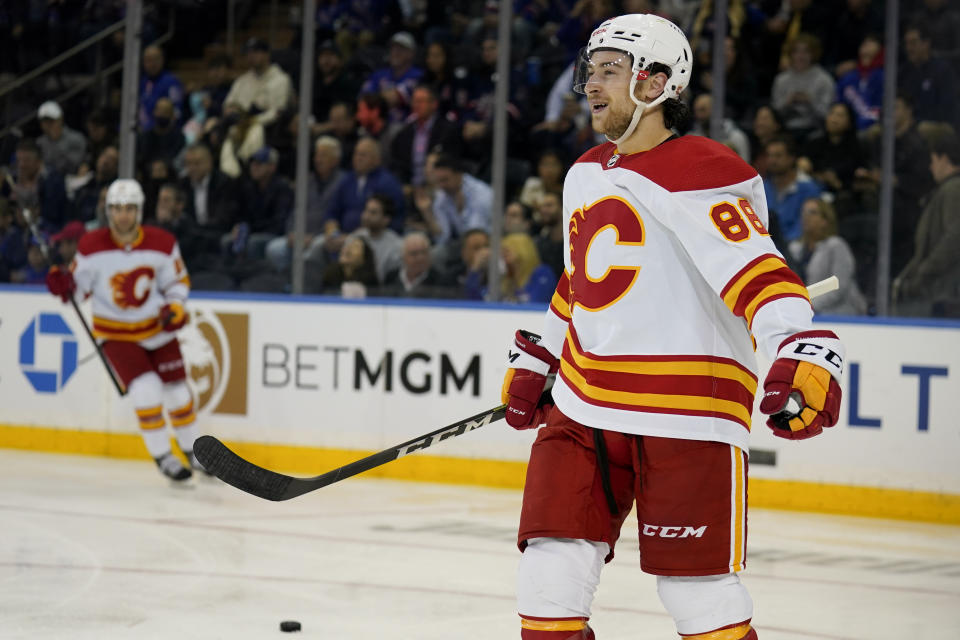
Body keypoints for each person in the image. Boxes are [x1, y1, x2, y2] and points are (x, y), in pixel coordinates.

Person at [499, 14, 845, 640]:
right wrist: (541, 357)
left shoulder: (701, 171)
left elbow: (759, 275)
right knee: (549, 572)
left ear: (657, 83)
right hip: (585, 403)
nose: (592, 84)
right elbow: (580, 281)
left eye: (611, 70)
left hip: (686, 408)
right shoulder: (583, 173)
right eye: (591, 71)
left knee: (697, 593)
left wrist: (804, 348)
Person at [44, 179, 206, 482]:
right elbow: (79, 294)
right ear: (108, 211)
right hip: (116, 334)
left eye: (129, 208)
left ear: (139, 210)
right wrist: (65, 286)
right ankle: (163, 455)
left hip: (157, 329)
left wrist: (176, 308)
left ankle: (194, 451)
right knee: (146, 390)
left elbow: (176, 283)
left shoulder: (163, 242)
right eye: (117, 209)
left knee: (178, 392)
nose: (123, 215)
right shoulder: (91, 247)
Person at [894, 132, 960, 318]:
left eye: (933, 160)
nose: (931, 167)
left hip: (944, 291)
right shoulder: (947, 189)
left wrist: (923, 273)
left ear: (944, 159)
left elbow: (954, 238)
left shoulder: (953, 189)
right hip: (939, 290)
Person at [787, 198, 866, 316]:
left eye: (812, 212)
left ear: (825, 220)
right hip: (807, 313)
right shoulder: (795, 248)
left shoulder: (836, 246)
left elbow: (839, 286)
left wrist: (806, 305)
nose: (806, 216)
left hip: (841, 314)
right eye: (803, 212)